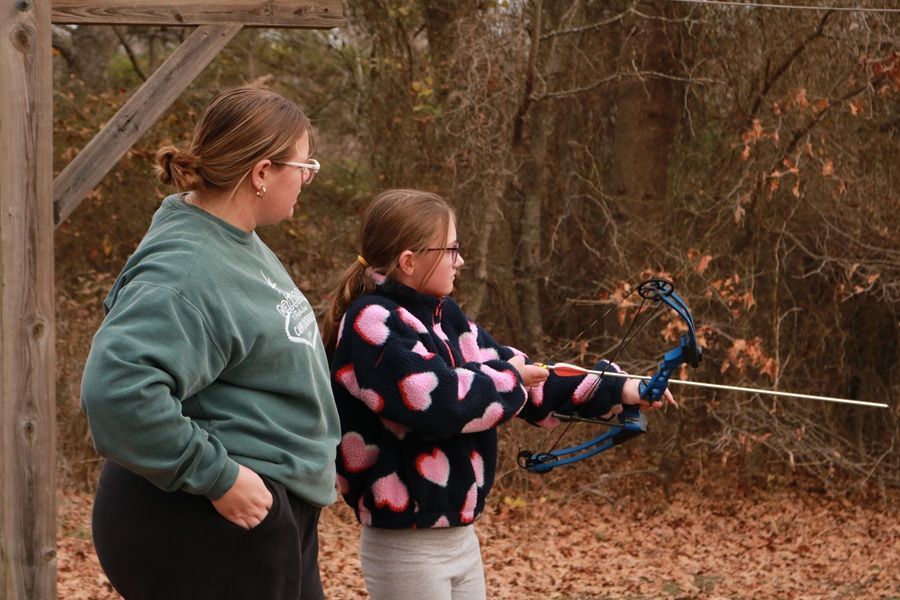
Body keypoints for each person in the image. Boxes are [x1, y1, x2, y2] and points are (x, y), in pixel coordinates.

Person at [322, 188, 674, 599]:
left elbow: (528, 376)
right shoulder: (371, 322)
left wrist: (623, 389)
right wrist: (510, 379)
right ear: (409, 261)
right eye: (451, 250)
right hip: (406, 545)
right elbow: (437, 401)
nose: (460, 261)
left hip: (460, 536)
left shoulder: (445, 317)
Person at [81, 87, 340, 600]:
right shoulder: (186, 269)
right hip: (209, 517)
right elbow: (116, 393)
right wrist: (218, 476)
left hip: (257, 511)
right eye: (303, 165)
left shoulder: (234, 238)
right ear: (262, 173)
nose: (308, 177)